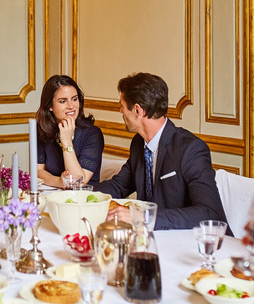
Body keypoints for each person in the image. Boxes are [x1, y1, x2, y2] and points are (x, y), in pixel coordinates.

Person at [95, 73, 228, 231]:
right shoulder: (139, 143)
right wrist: (76, 195)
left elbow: (209, 213)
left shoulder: (191, 149)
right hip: (152, 240)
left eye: (122, 106)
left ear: (137, 110)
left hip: (195, 244)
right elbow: (118, 186)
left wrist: (144, 217)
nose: (120, 111)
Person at [35, 75, 104, 187]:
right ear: (49, 105)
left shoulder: (93, 134)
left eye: (74, 99)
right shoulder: (42, 129)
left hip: (84, 199)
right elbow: (37, 171)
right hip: (53, 195)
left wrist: (66, 141)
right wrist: (60, 182)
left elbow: (78, 182)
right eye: (63, 101)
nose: (71, 106)